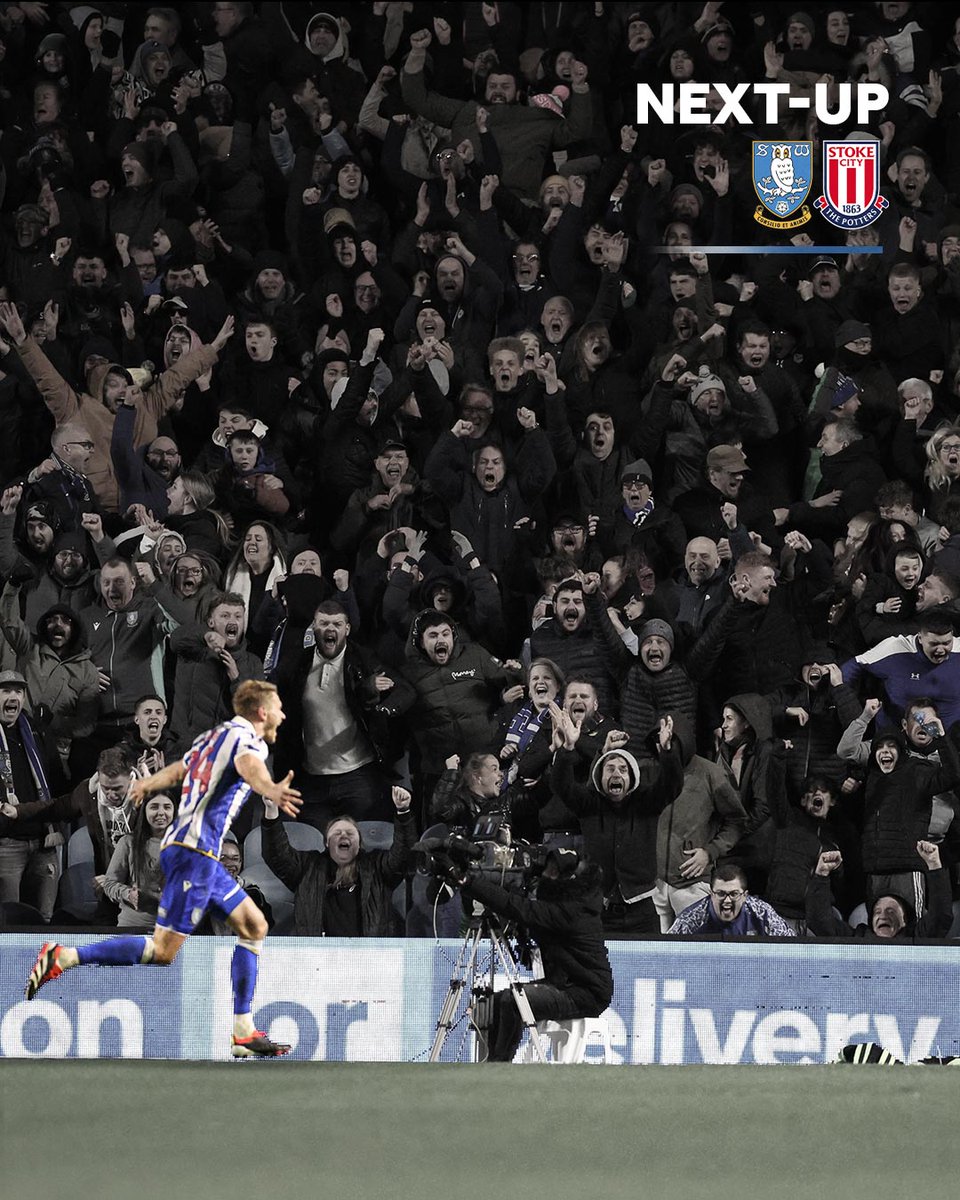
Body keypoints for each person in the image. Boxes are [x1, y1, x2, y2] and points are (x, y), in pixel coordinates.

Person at [25, 680, 303, 1060]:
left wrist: (149, 784)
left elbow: (182, 768)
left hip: (193, 851)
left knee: (251, 927)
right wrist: (270, 788)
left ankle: (242, 1031)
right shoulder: (245, 744)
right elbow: (247, 767)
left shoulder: (217, 737)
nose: (282, 715)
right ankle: (63, 957)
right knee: (164, 949)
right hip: (193, 854)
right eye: (277, 708)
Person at [448, 843, 613, 1062]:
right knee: (493, 1003)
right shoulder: (564, 903)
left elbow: (519, 908)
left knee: (513, 1001)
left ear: (566, 880)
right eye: (548, 868)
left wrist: (470, 883)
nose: (546, 874)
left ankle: (499, 1066)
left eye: (553, 871)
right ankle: (488, 1061)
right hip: (564, 983)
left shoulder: (572, 910)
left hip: (586, 992)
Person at [261, 785, 416, 936]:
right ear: (327, 844)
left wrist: (403, 812)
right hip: (319, 957)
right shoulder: (308, 868)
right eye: (336, 833)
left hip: (370, 958)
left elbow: (404, 854)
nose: (344, 835)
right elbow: (277, 855)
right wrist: (271, 811)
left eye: (350, 833)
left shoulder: (378, 867)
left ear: (360, 843)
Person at [667, 863, 796, 937]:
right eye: (721, 894)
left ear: (745, 895)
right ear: (711, 894)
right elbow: (665, 953)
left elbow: (791, 946)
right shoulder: (691, 919)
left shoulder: (762, 912)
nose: (727, 900)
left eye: (734, 894)